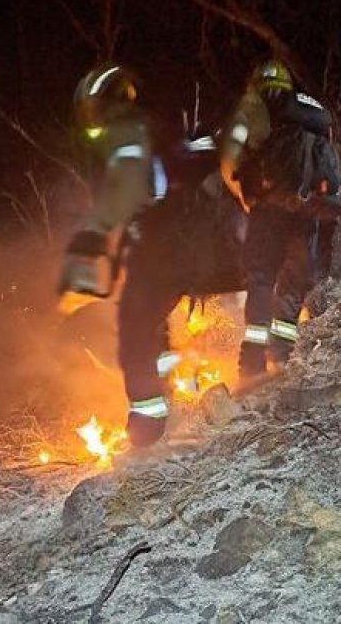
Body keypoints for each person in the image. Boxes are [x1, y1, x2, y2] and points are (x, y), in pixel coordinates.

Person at [58, 62, 245, 447]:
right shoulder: (157, 129)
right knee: (150, 323)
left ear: (103, 104)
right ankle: (174, 390)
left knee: (134, 331)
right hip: (184, 249)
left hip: (162, 248)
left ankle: (146, 430)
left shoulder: (126, 132)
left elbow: (127, 190)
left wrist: (94, 232)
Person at [218, 59, 341, 385]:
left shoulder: (255, 109)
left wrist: (246, 197)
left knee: (261, 279)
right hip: (306, 214)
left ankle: (252, 364)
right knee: (293, 282)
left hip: (268, 210)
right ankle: (282, 356)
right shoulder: (309, 114)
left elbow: (229, 159)